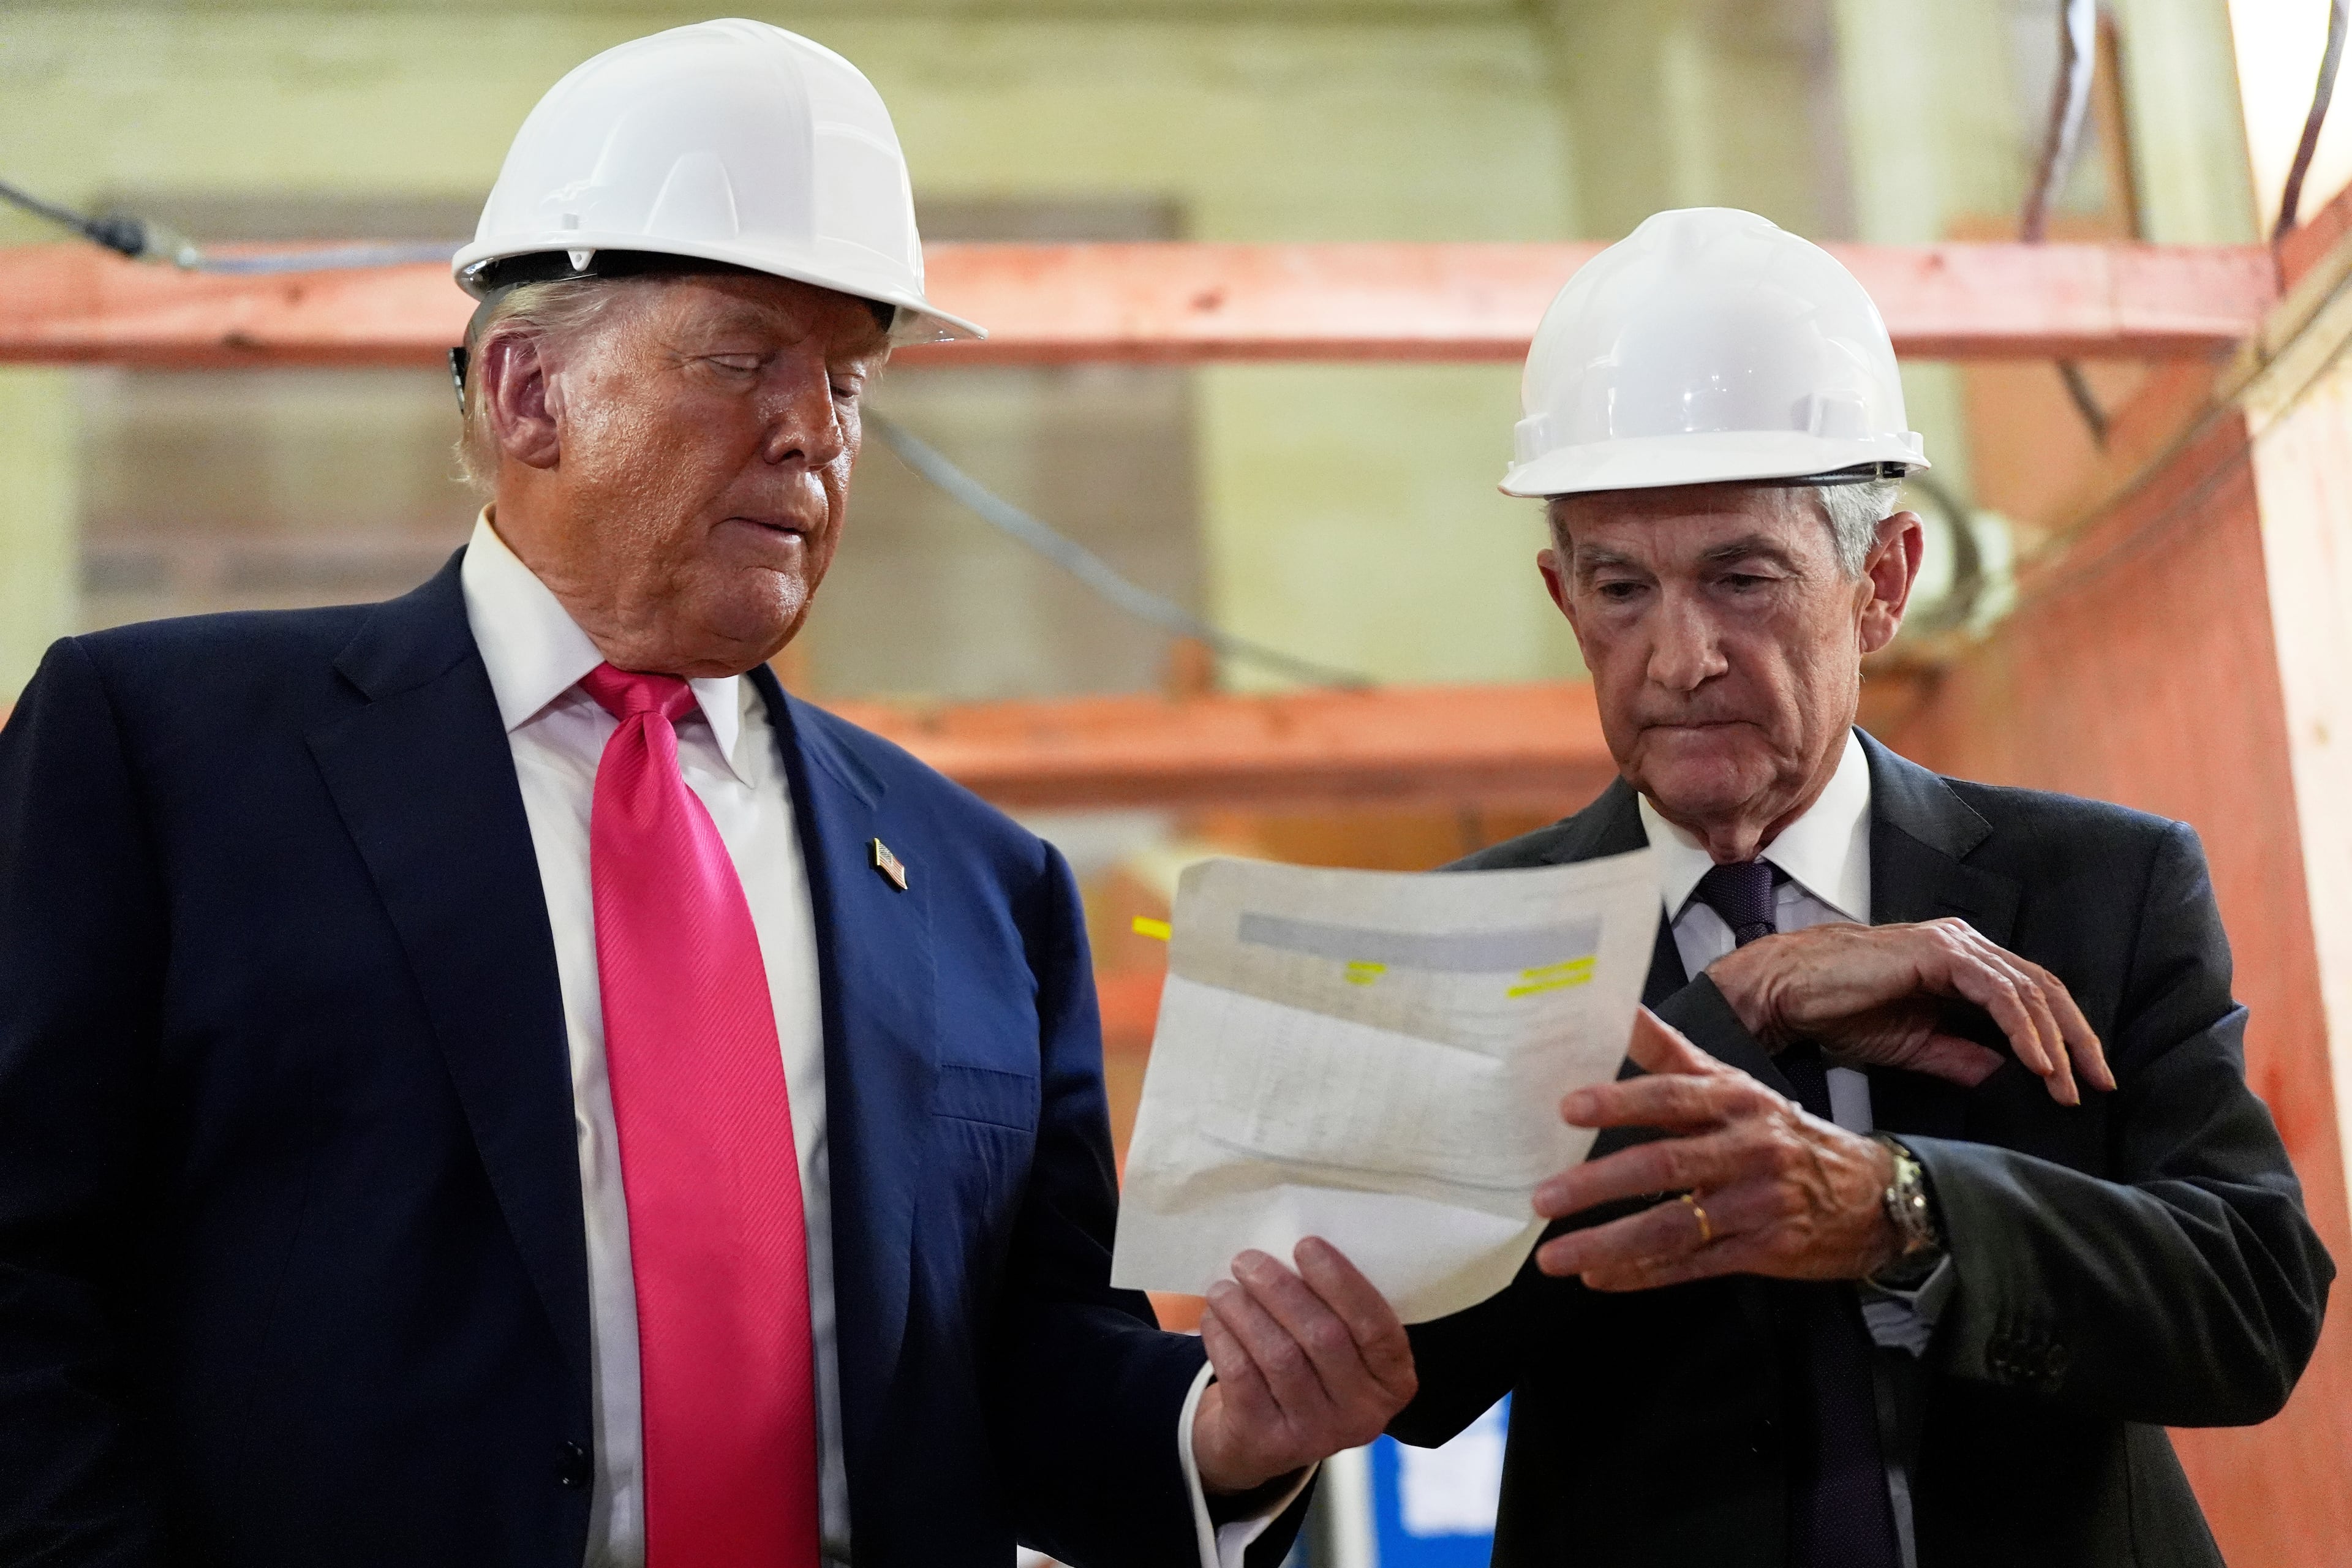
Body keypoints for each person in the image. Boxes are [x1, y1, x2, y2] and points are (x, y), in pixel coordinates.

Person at [0, 23, 1417, 1568]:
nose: (814, 431)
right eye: (745, 357)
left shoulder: (979, 889)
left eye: (850, 380)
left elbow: (1022, 1367)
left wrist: (1223, 1435)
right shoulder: (165, 758)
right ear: (528, 391)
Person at [1389, 208, 2334, 1566]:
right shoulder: (1475, 938)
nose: (1679, 656)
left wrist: (1905, 1205)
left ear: (1881, 581)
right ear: (1561, 594)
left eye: (1742, 577)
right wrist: (1736, 1006)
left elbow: (2252, 1302)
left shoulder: (2100, 888)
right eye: (1620, 588)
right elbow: (1421, 1367)